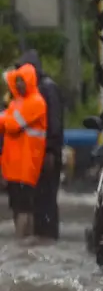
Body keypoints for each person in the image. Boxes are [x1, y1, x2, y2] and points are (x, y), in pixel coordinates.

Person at [16, 49, 64, 240]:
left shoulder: (47, 88)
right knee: (38, 200)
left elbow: (54, 122)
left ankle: (48, 237)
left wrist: (51, 150)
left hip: (47, 154)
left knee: (47, 199)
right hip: (36, 155)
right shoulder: (33, 90)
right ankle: (41, 237)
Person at [0, 64, 48, 239]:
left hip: (27, 165)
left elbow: (12, 125)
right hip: (13, 165)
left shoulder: (36, 102)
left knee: (24, 207)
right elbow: (5, 122)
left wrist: (6, 119)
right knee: (16, 206)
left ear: (30, 81)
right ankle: (22, 244)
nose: (19, 85)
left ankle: (21, 244)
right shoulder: (16, 102)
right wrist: (6, 119)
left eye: (22, 81)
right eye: (17, 81)